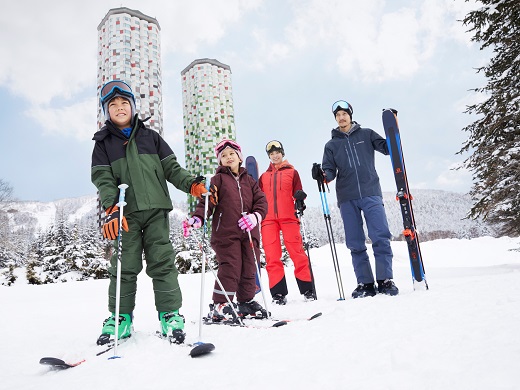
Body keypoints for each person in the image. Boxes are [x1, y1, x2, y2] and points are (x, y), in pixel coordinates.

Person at [91, 80, 213, 345]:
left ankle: (170, 314)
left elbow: (172, 169)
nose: (119, 107)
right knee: (124, 265)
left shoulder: (151, 137)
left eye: (124, 103)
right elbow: (102, 178)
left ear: (133, 107)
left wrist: (191, 183)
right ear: (106, 111)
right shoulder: (102, 143)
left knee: (162, 261)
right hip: (126, 214)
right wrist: (112, 208)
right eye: (113, 104)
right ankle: (121, 317)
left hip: (157, 210)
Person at [320, 100, 399, 298]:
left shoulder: (367, 134)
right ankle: (365, 283)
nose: (341, 117)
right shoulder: (331, 145)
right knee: (355, 242)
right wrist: (321, 175)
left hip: (371, 192)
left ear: (350, 115)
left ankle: (385, 279)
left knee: (380, 236)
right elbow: (329, 172)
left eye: (344, 113)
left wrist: (393, 125)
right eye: (337, 115)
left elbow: (389, 148)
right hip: (347, 197)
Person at [184, 139, 268, 323]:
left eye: (232, 154)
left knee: (249, 267)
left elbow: (262, 202)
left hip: (248, 233)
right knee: (231, 266)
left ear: (239, 157)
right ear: (220, 161)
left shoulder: (250, 181)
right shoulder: (217, 180)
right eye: (224, 155)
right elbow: (207, 202)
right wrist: (198, 218)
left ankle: (246, 301)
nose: (228, 157)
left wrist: (255, 217)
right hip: (226, 233)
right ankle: (221, 304)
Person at [258, 140, 315, 305]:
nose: (275, 156)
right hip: (268, 220)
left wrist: (300, 199)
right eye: (271, 154)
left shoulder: (292, 172)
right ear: (269, 156)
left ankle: (307, 290)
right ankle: (278, 294)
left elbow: (299, 190)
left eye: (277, 153)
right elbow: (259, 197)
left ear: (282, 153)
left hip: (289, 216)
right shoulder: (264, 176)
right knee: (272, 256)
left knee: (297, 252)